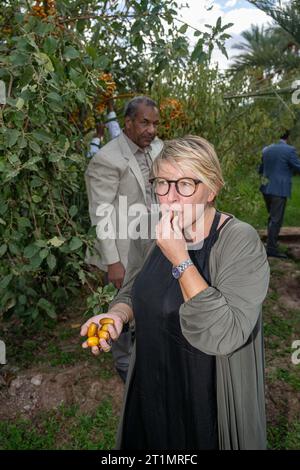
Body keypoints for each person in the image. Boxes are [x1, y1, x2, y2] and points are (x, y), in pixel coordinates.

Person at [81, 135, 270, 450]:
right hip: (153, 380)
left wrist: (181, 260)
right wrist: (116, 315)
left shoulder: (239, 241)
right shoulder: (153, 230)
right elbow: (131, 291)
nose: (169, 198)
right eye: (162, 183)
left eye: (185, 185)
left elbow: (224, 332)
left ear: (212, 189)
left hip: (204, 393)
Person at [85, 96, 163, 382]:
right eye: (144, 123)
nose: (151, 130)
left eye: (155, 123)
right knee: (120, 304)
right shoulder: (107, 159)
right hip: (122, 251)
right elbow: (100, 215)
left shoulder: (158, 148)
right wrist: (113, 262)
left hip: (153, 243)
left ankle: (148, 354)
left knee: (147, 298)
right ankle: (124, 366)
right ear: (128, 123)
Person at [259, 130, 300, 258]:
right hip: (279, 188)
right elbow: (298, 167)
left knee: (272, 217)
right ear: (288, 136)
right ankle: (271, 249)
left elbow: (260, 169)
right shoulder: (289, 150)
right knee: (276, 219)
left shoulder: (266, 149)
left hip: (266, 187)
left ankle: (271, 244)